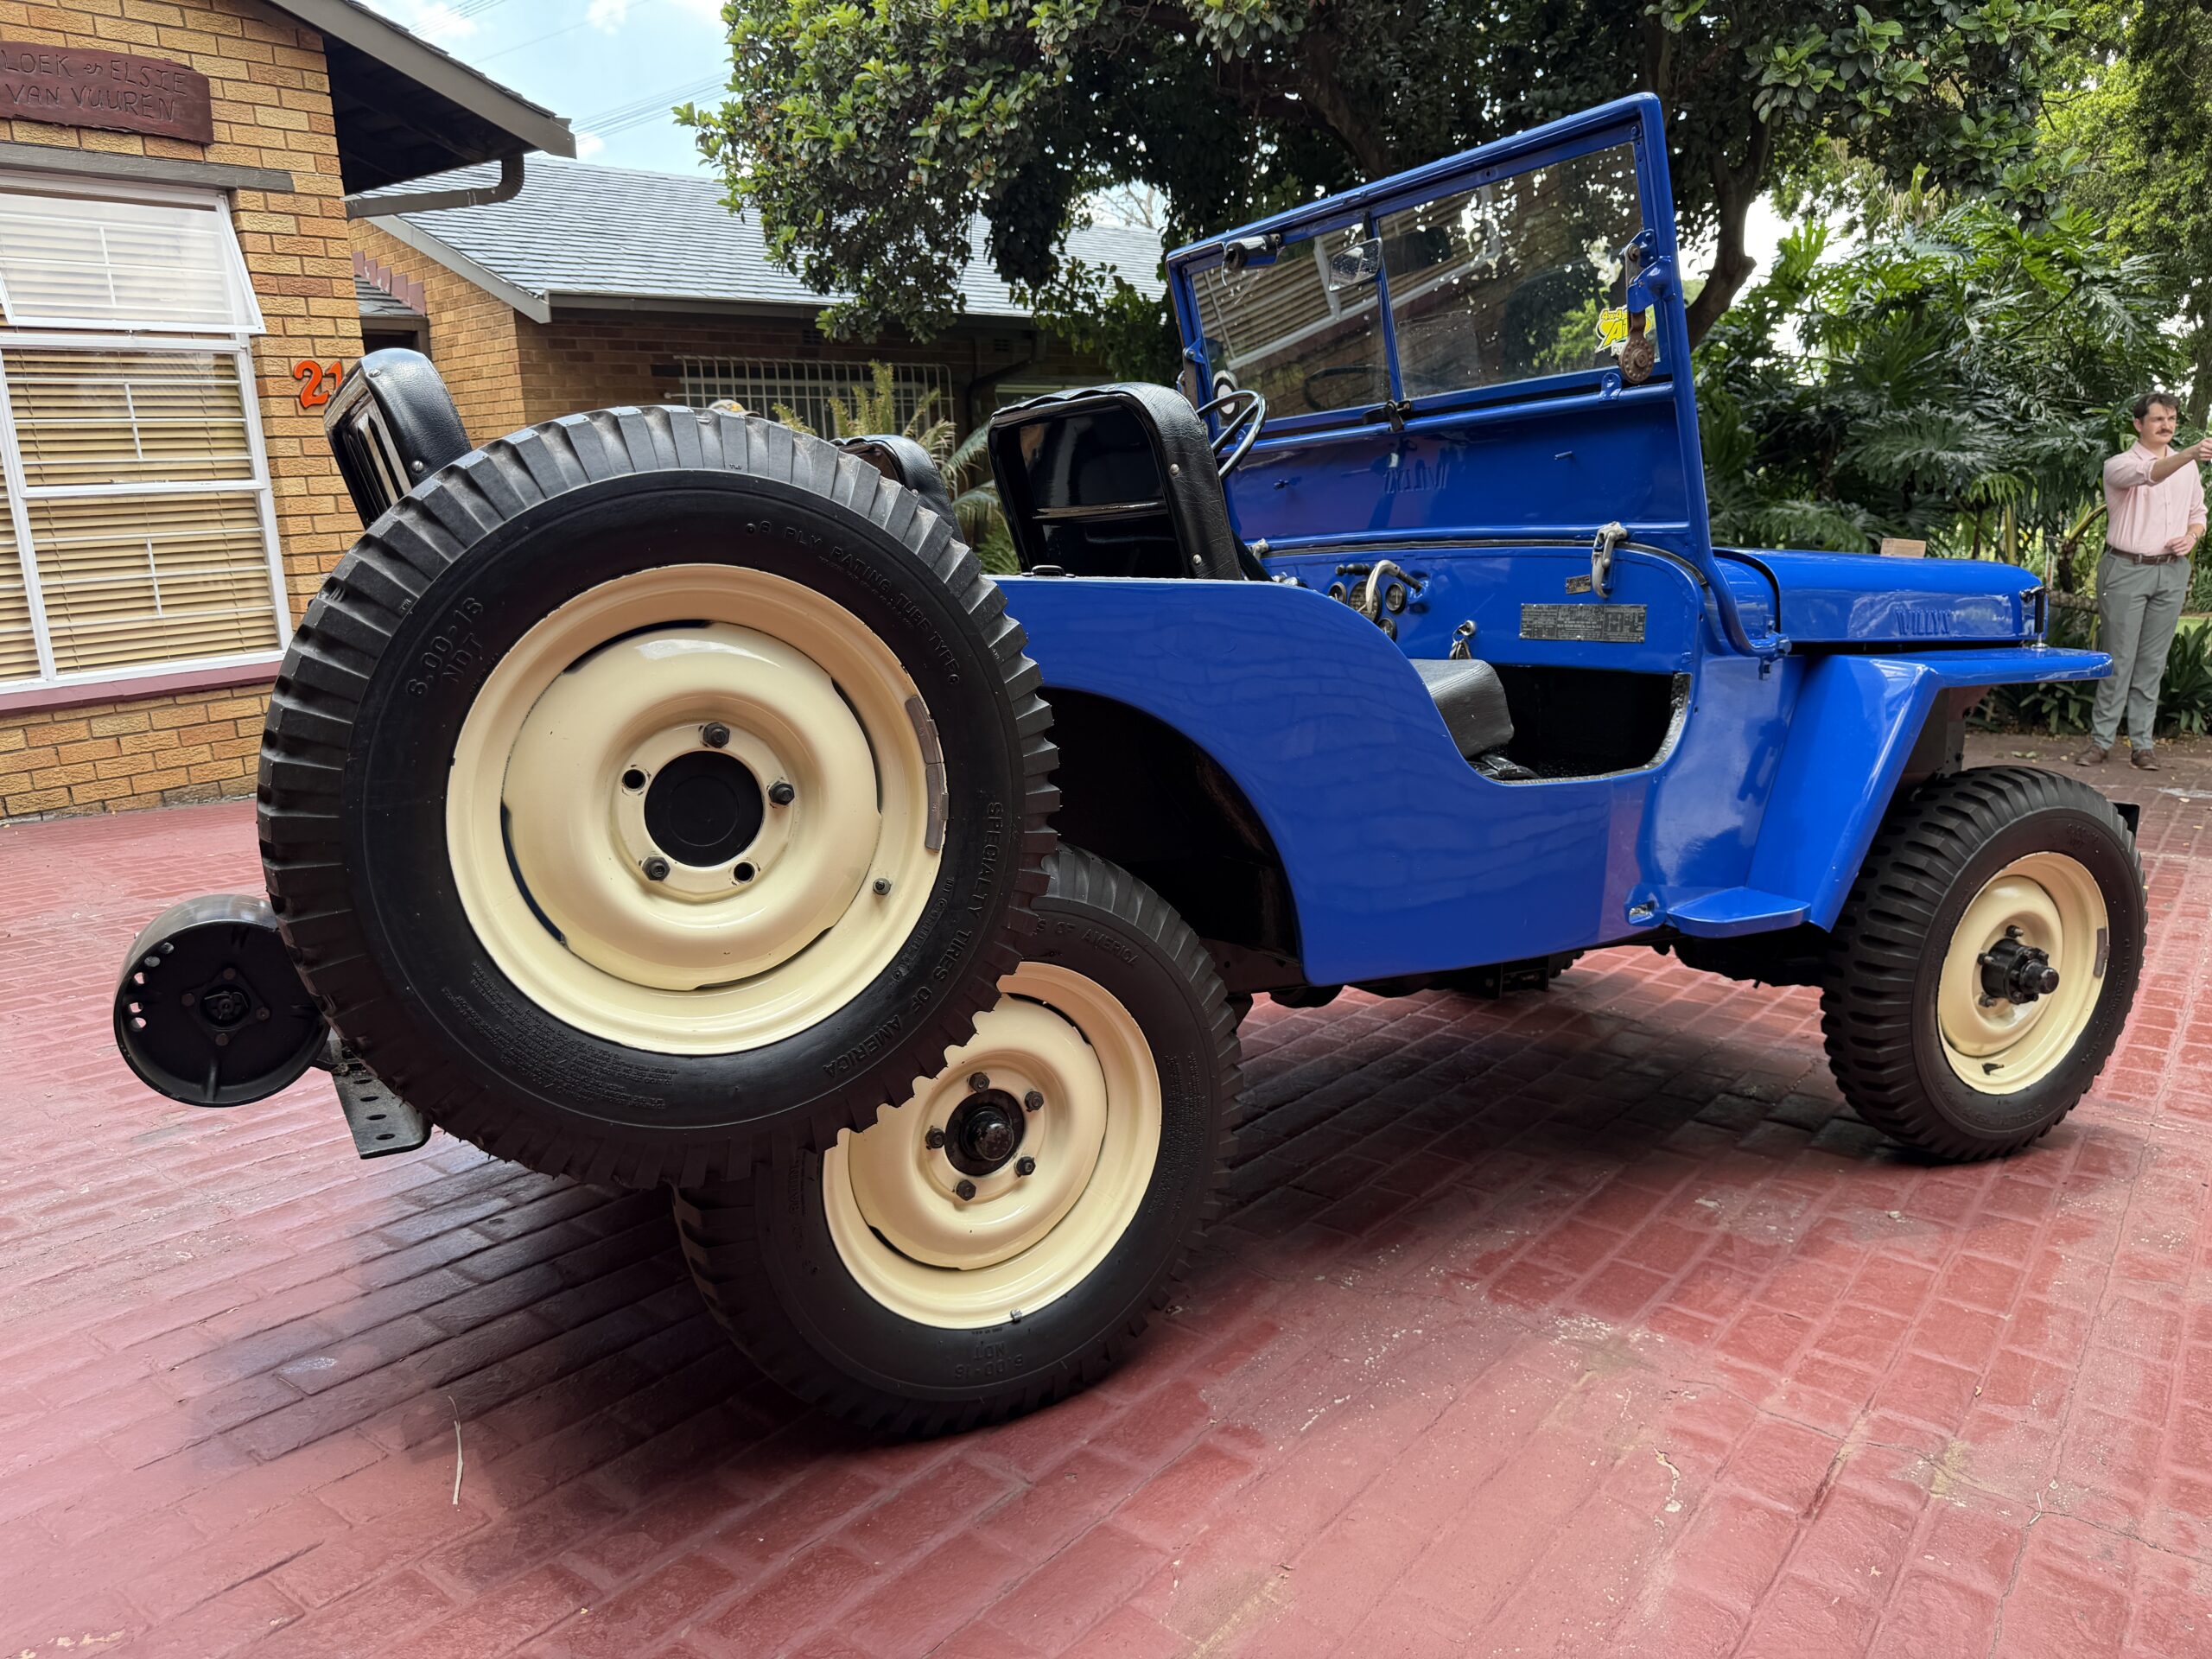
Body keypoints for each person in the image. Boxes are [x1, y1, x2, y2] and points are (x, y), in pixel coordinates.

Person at [2078, 391, 2209, 770]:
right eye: (2158, 420)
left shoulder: (2188, 469)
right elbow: (2151, 475)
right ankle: (2101, 742)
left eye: (2171, 419)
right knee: (2118, 659)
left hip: (2172, 571)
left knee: (2152, 662)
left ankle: (2142, 745)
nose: (2167, 426)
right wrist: (2188, 454)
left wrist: (2193, 536)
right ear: (2138, 424)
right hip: (2126, 569)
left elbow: (2198, 513)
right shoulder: (2118, 465)